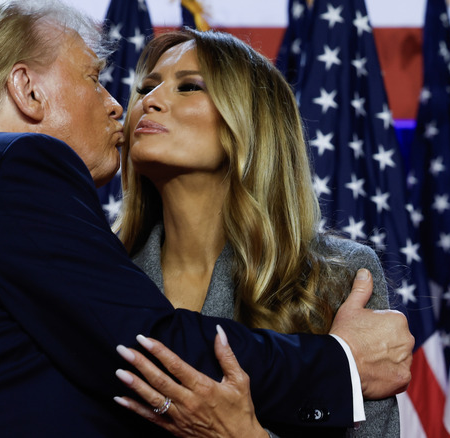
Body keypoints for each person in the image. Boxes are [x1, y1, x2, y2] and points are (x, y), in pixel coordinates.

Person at [0, 1, 413, 436]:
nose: (126, 103)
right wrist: (340, 364)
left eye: (188, 87)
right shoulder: (14, 167)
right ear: (27, 91)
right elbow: (155, 344)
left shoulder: (334, 276)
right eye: (98, 79)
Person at [110, 29, 400, 437]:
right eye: (146, 87)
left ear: (250, 122)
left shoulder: (337, 276)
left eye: (189, 86)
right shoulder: (101, 269)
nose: (149, 101)